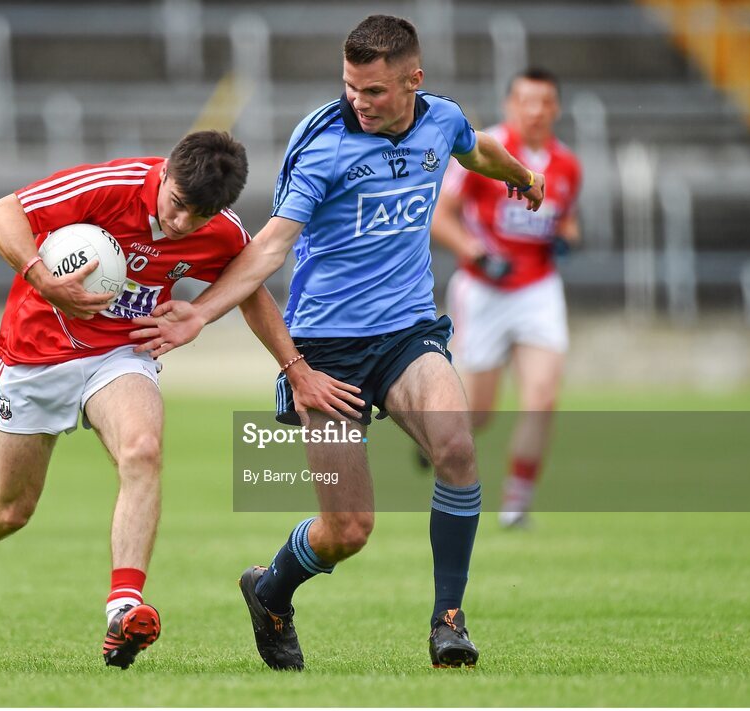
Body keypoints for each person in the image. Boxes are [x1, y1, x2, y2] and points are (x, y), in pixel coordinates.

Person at [130, 16, 545, 670]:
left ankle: (449, 621)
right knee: (349, 530)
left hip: (408, 332)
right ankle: (269, 590)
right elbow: (269, 245)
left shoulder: (441, 119)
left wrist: (519, 174)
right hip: (324, 351)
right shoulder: (322, 144)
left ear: (414, 80)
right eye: (351, 86)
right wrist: (199, 313)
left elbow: (476, 148)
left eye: (374, 90)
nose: (358, 100)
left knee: (458, 446)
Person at [0, 130, 291, 670]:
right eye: (176, 205)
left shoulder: (219, 229)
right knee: (11, 510)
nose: (181, 224)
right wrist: (43, 279)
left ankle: (124, 608)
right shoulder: (110, 186)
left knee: (142, 450)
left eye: (197, 217)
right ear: (166, 173)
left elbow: (249, 287)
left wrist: (294, 367)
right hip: (36, 353)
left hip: (121, 356)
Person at [431, 68, 582, 528]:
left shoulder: (567, 165)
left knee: (542, 396)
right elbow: (440, 216)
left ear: (556, 109)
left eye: (545, 103)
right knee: (478, 413)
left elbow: (567, 221)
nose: (536, 111)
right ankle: (434, 439)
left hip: (538, 288)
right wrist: (477, 253)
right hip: (484, 290)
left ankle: (516, 505)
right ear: (510, 104)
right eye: (527, 101)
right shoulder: (483, 151)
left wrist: (567, 239)